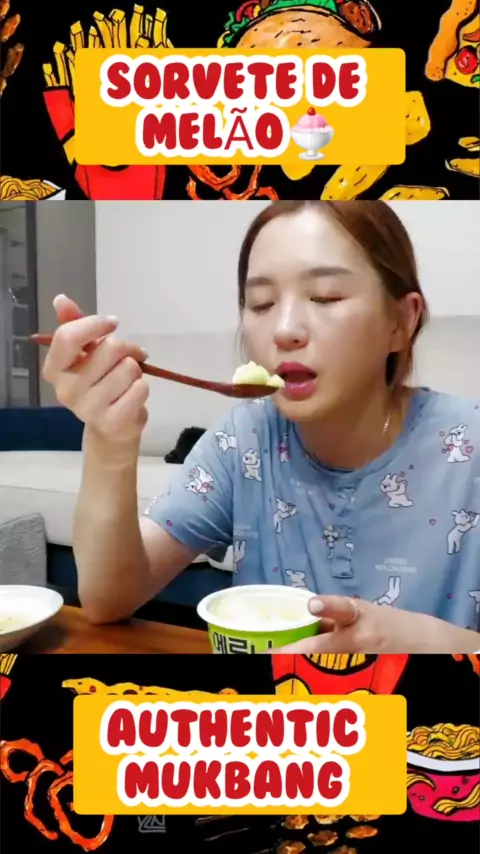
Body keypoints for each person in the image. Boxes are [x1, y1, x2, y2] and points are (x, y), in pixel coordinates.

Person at [42, 201, 480, 653]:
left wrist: (433, 643)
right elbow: (107, 598)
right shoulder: (244, 440)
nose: (284, 330)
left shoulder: (469, 448)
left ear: (401, 321)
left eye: (326, 296)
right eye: (262, 304)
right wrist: (109, 441)